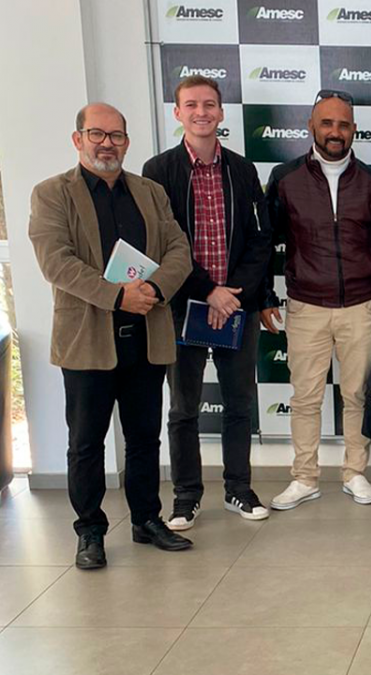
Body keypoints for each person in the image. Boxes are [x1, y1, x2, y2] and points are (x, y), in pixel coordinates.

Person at [29, 103, 195, 569]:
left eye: (116, 135)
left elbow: (179, 248)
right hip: (87, 339)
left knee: (144, 438)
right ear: (78, 139)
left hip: (145, 334)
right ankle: (90, 531)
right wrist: (117, 296)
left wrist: (155, 289)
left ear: (126, 141)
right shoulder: (51, 194)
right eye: (97, 134)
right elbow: (56, 262)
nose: (107, 144)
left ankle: (146, 519)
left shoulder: (150, 192)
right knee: (86, 443)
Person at [142, 75, 274, 529]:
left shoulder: (242, 169)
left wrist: (231, 293)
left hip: (236, 306)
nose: (202, 112)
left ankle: (239, 488)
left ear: (221, 113)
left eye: (210, 104)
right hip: (183, 305)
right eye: (192, 104)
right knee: (183, 409)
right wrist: (206, 291)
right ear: (177, 113)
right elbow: (161, 244)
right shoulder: (158, 171)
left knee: (240, 404)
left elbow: (261, 238)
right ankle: (186, 496)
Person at [261, 90, 371, 511]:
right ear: (311, 127)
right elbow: (265, 243)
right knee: (305, 398)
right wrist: (265, 295)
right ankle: (304, 478)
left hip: (361, 304)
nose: (335, 132)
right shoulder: (285, 178)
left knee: (356, 394)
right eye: (327, 123)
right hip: (306, 305)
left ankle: (355, 472)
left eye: (343, 125)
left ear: (354, 130)